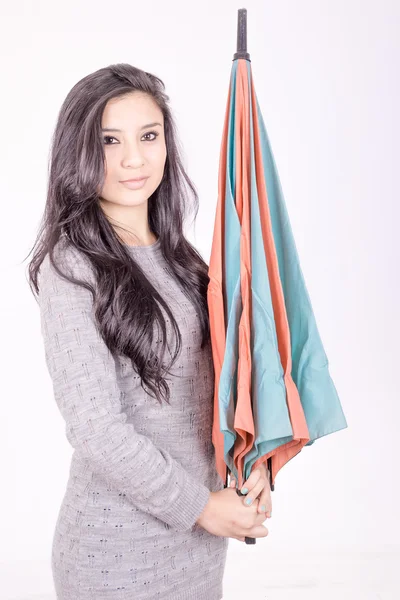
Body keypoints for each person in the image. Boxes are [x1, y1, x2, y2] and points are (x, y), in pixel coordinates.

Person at [27, 62, 269, 600]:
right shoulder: (71, 267)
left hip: (197, 552)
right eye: (109, 141)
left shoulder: (185, 261)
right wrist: (203, 507)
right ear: (80, 152)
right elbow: (97, 431)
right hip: (114, 557)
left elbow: (217, 393)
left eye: (149, 135)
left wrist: (253, 469)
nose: (134, 159)